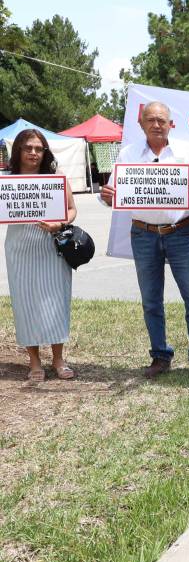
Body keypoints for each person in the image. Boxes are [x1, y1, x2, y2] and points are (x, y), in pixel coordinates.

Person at [100, 102, 189, 378]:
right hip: (144, 234)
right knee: (151, 300)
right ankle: (160, 355)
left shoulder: (188, 152)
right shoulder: (128, 154)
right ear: (141, 124)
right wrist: (107, 196)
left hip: (182, 233)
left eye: (162, 120)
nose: (157, 125)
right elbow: (114, 194)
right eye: (151, 120)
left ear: (171, 124)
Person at [4, 129, 78, 381]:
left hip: (51, 247)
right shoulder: (6, 181)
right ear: (18, 150)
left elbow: (71, 209)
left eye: (39, 148)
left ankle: (58, 359)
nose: (34, 153)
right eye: (28, 147)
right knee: (25, 302)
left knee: (56, 301)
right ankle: (34, 361)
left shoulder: (55, 178)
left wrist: (60, 224)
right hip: (19, 249)